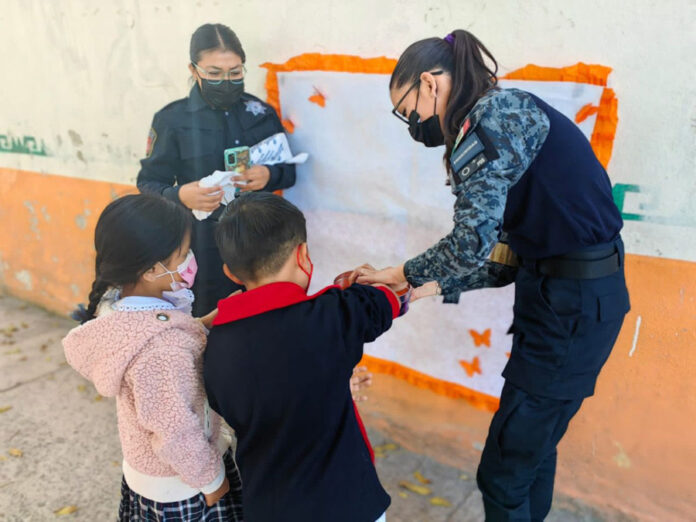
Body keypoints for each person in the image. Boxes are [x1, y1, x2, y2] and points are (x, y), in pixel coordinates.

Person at [356, 30, 630, 521]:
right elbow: (502, 259)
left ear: (429, 83)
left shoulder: (489, 121)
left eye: (407, 109)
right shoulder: (501, 109)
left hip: (570, 308)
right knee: (530, 453)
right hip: (565, 299)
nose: (413, 123)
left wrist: (401, 270)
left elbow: (471, 243)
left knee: (503, 473)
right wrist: (421, 286)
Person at [204, 192, 403, 522]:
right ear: (303, 254)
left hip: (269, 507)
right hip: (348, 504)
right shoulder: (334, 315)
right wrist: (356, 284)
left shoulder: (215, 344)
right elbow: (388, 296)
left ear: (231, 273)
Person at [62, 194, 243, 521]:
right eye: (182, 254)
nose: (190, 259)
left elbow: (166, 333)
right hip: (184, 483)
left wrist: (205, 322)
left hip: (151, 473)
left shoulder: (121, 309)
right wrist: (212, 481)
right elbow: (175, 431)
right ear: (149, 270)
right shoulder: (161, 351)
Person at [137, 23, 296, 316]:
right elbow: (148, 182)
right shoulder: (172, 120)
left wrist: (269, 175)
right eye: (214, 73)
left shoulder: (259, 113)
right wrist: (180, 195)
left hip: (261, 244)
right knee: (209, 323)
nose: (226, 81)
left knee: (265, 319)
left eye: (235, 72)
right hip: (201, 248)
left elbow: (290, 171)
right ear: (194, 69)